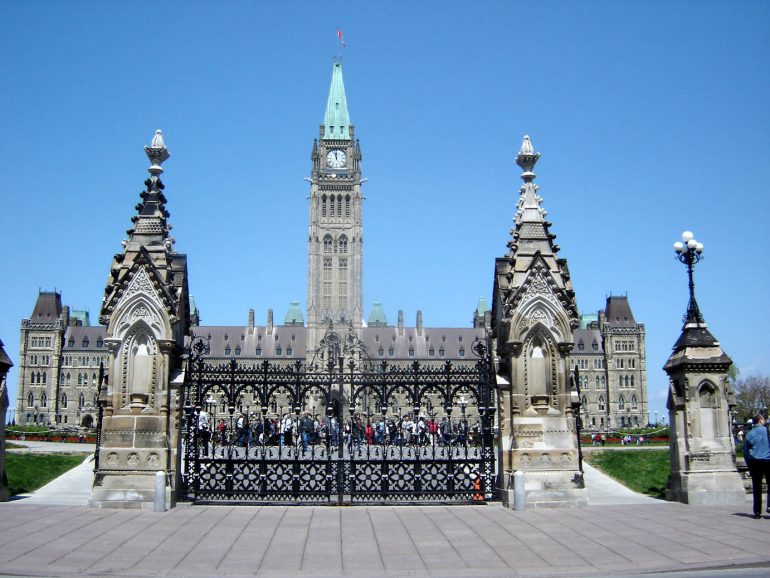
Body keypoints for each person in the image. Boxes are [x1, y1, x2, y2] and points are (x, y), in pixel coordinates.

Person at [744, 413, 770, 519]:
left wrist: (749, 463)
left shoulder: (750, 434)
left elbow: (746, 451)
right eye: (763, 419)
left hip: (755, 462)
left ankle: (757, 512)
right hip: (768, 460)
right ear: (760, 420)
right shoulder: (767, 431)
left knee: (757, 487)